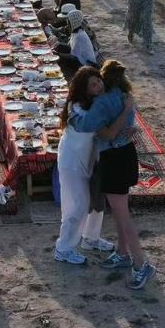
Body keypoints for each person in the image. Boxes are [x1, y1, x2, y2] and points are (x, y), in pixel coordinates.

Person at [91, 61, 156, 290]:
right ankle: (122, 252)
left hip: (113, 157)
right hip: (127, 153)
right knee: (120, 210)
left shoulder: (101, 102)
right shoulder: (124, 95)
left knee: (122, 214)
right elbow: (129, 124)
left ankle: (141, 264)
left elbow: (107, 134)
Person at [54, 67, 127, 267]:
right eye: (93, 85)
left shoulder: (99, 102)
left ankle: (90, 238)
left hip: (92, 159)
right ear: (84, 90)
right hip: (72, 161)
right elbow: (99, 128)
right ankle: (63, 248)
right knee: (77, 205)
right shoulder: (77, 107)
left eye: (99, 81)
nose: (99, 86)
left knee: (97, 200)